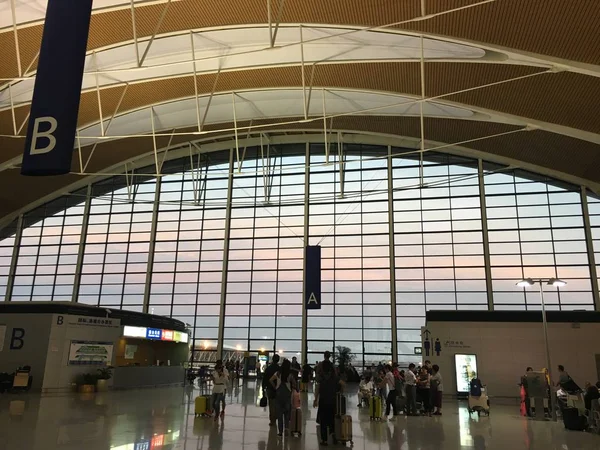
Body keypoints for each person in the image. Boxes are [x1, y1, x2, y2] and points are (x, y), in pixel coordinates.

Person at [313, 359, 342, 446]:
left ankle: (324, 440)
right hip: (332, 401)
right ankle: (333, 434)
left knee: (323, 421)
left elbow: (317, 388)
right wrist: (339, 392)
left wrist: (315, 400)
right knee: (331, 418)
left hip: (323, 400)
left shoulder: (321, 377)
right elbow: (343, 384)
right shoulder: (334, 377)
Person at [270, 359, 297, 437]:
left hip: (278, 395)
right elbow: (295, 384)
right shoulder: (290, 375)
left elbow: (271, 380)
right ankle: (287, 429)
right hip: (287, 395)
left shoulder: (278, 373)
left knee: (279, 414)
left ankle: (280, 431)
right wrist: (293, 388)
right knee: (287, 413)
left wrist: (275, 387)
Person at [262, 354, 280, 427]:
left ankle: (272, 420)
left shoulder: (268, 368)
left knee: (271, 404)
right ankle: (276, 417)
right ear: (278, 360)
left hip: (270, 388)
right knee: (277, 404)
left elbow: (265, 379)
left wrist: (263, 388)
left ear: (272, 359)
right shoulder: (279, 369)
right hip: (278, 389)